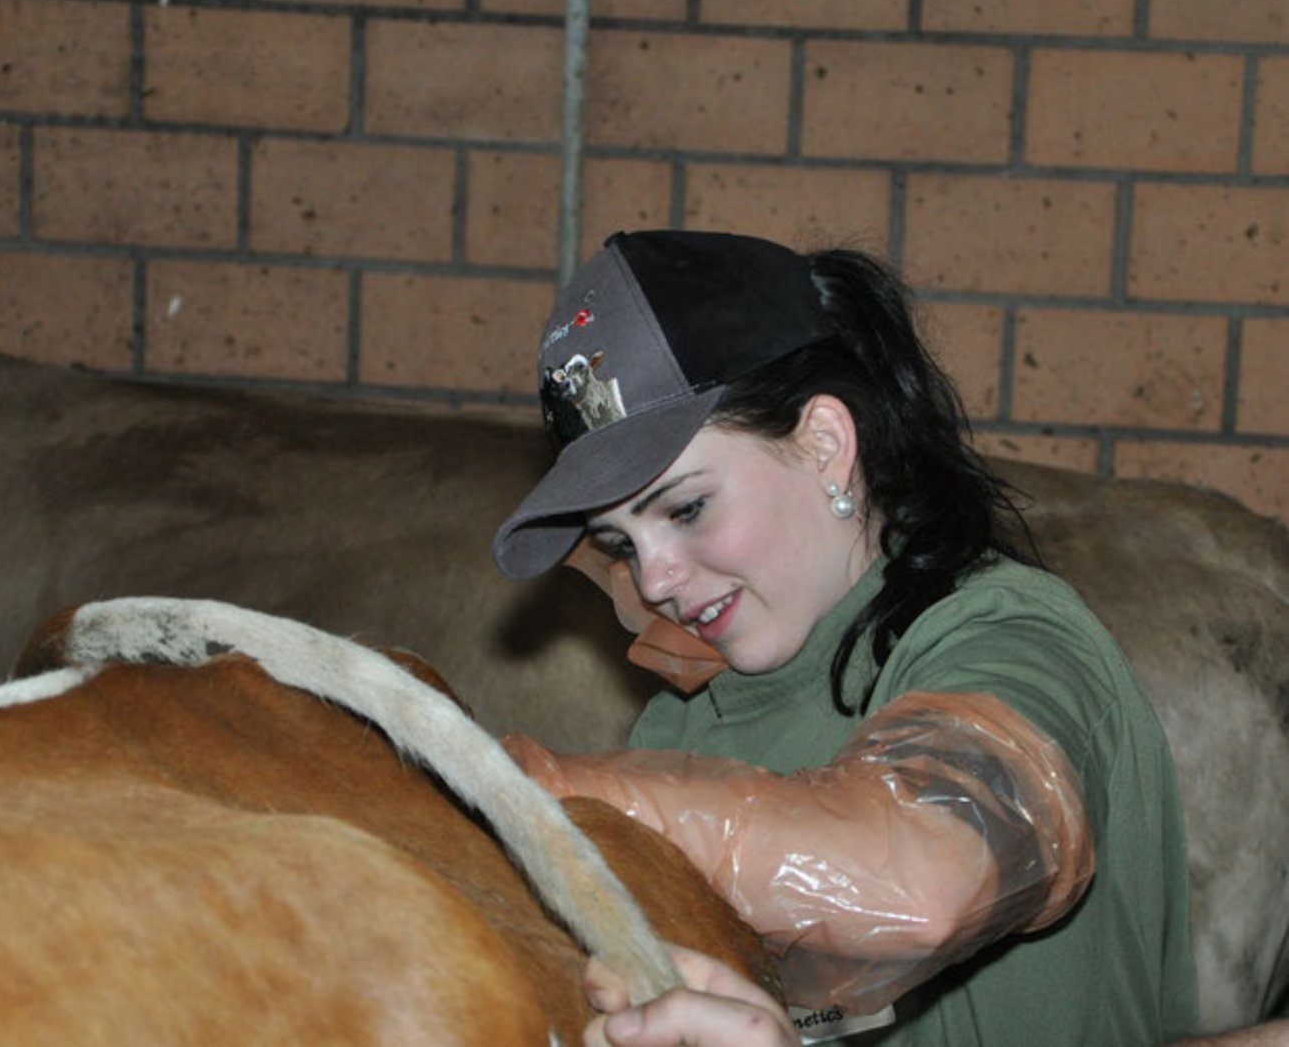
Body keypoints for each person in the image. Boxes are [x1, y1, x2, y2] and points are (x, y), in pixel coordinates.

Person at [491, 230, 1199, 1046]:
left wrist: (520, 801)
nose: (654, 581)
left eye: (685, 510)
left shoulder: (1012, 640)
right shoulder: (686, 726)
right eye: (619, 544)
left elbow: (919, 885)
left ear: (825, 444)